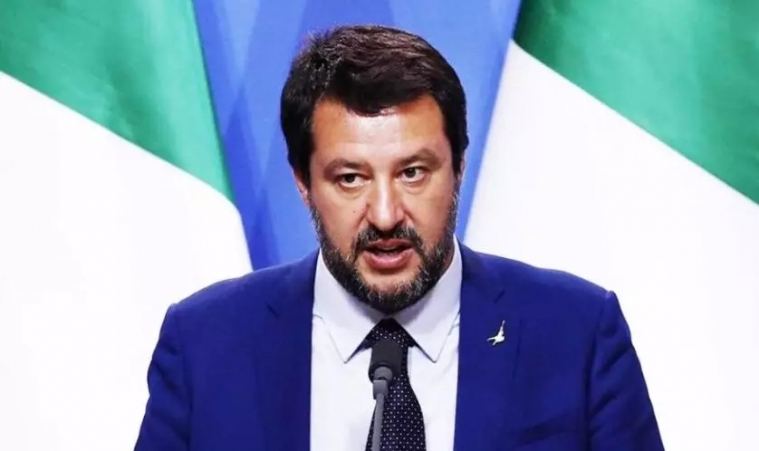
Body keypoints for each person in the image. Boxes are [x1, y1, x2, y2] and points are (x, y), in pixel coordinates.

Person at [134, 24, 663, 451]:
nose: (386, 216)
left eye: (413, 173)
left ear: (458, 167)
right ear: (303, 182)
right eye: (350, 178)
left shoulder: (577, 336)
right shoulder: (205, 345)